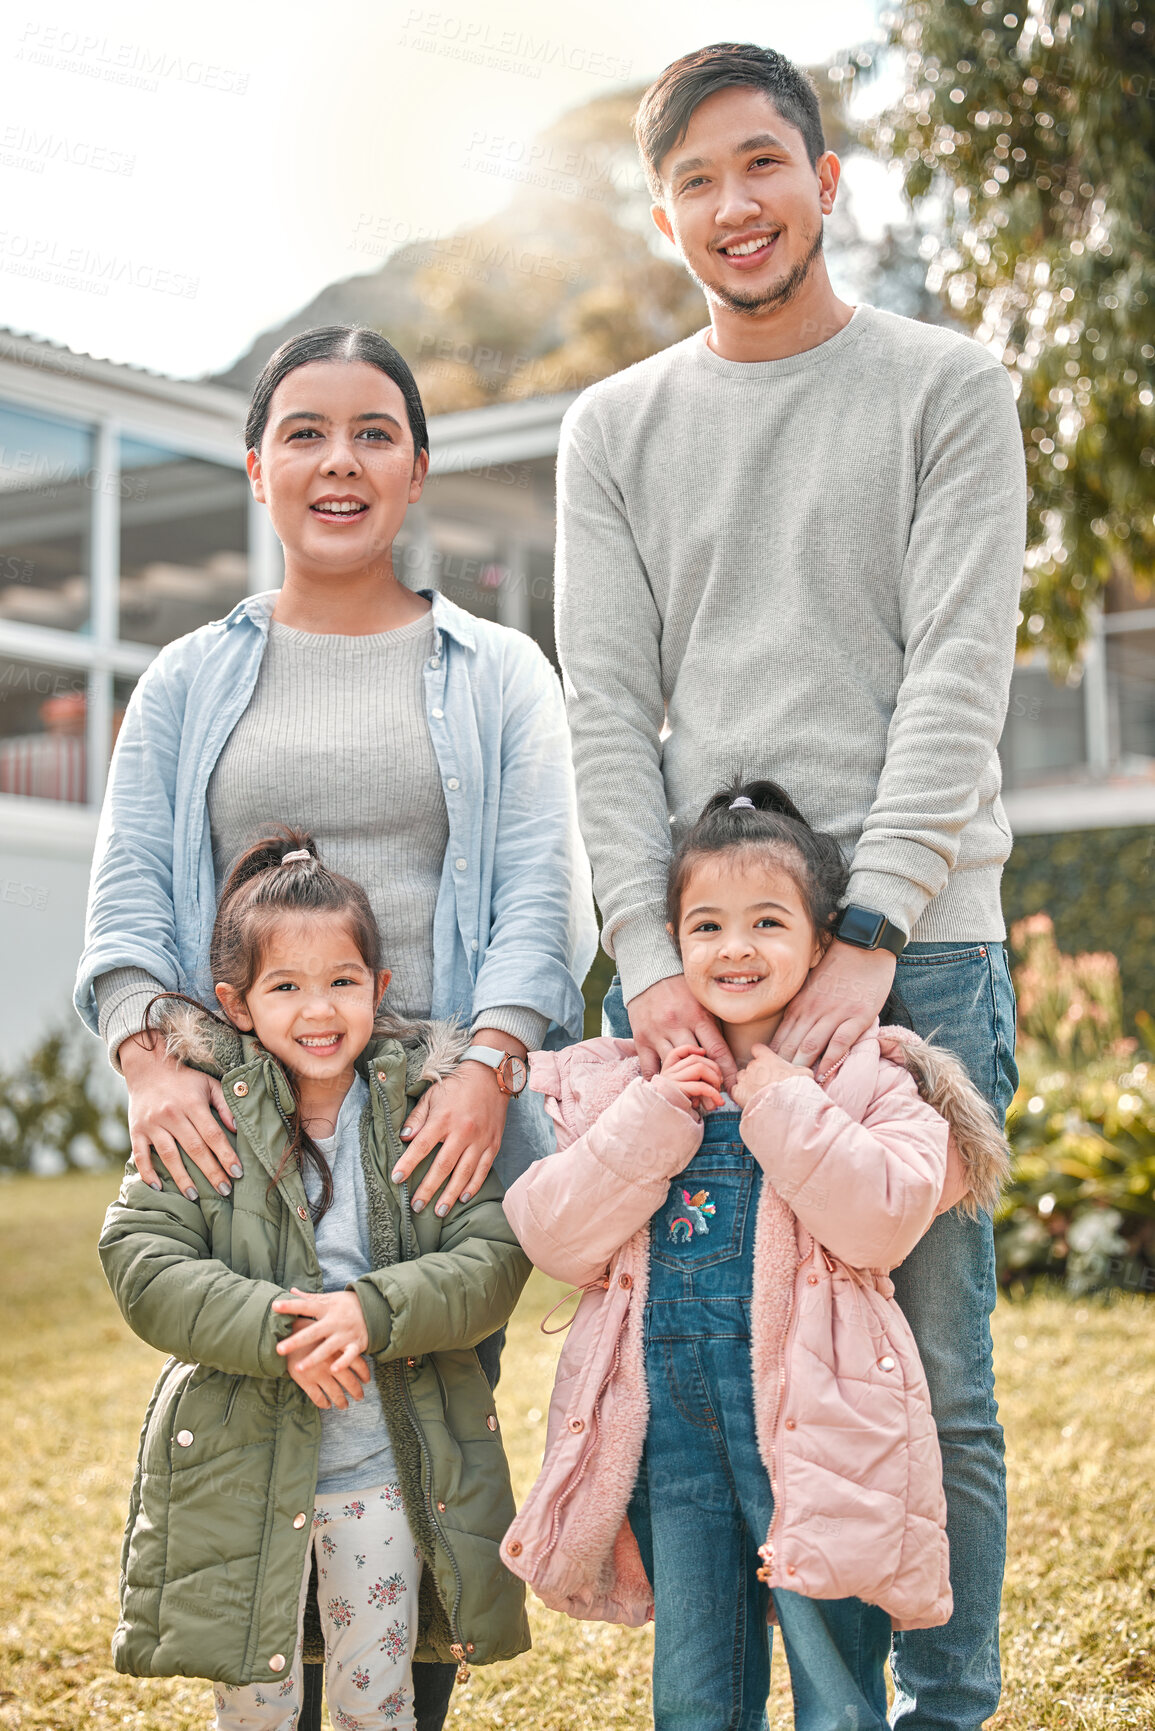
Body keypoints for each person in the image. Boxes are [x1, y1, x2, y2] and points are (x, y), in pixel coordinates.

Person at [553, 43, 1025, 1728]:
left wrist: (878, 925)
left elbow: (963, 663)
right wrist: (643, 955)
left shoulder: (948, 386)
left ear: (828, 182)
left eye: (764, 165)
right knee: (738, 1386)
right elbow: (602, 708)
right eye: (695, 179)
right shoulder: (612, 428)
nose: (733, 205)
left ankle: (941, 1708)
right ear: (666, 210)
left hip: (927, 954)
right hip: (722, 978)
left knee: (935, 1374)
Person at [76, 324, 596, 1728]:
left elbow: (549, 891)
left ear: (417, 467)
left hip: (432, 1137)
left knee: (418, 1497)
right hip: (252, 1137)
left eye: (373, 431)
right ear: (257, 467)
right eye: (303, 431)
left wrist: (488, 1064)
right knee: (260, 1482)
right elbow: (127, 883)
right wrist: (142, 1052)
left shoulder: (498, 672)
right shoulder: (187, 677)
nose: (338, 460)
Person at [500, 784, 1009, 1731]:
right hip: (674, 1440)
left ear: (821, 945)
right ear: (669, 944)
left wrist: (779, 1097)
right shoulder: (627, 1082)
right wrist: (655, 1119)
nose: (734, 947)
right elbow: (551, 1234)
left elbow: (882, 1220)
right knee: (695, 1689)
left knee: (834, 1686)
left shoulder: (870, 1076)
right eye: (707, 925)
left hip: (824, 1437)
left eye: (766, 922)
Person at [99, 832, 532, 1731]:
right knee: (256, 1705)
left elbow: (491, 1256)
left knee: (377, 1698)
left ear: (378, 988)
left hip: (381, 1476)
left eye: (341, 981)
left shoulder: (425, 1112)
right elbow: (144, 1258)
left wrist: (368, 1313)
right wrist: (284, 1326)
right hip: (246, 1474)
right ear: (239, 1003)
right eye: (285, 986)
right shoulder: (207, 1113)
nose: (318, 1008)